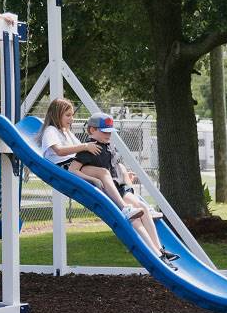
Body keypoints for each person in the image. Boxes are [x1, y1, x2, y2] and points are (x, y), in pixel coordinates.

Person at [71, 112, 179, 266]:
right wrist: (93, 179)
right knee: (134, 219)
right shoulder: (88, 149)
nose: (108, 135)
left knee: (143, 208)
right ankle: (156, 255)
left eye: (110, 132)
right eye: (104, 131)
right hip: (109, 194)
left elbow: (113, 167)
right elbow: (73, 170)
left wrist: (124, 174)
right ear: (92, 130)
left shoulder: (109, 146)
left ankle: (160, 250)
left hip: (119, 188)